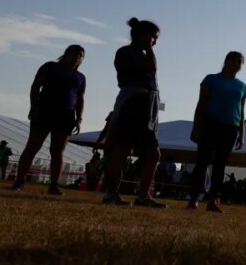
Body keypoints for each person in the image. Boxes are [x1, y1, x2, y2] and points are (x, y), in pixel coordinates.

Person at [100, 18, 166, 208]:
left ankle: (143, 195)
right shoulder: (126, 52)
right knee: (123, 148)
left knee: (153, 153)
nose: (155, 42)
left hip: (149, 102)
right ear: (145, 36)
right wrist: (149, 48)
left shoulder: (143, 54)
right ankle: (111, 193)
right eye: (154, 38)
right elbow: (151, 67)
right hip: (133, 100)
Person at [11, 46, 87, 194]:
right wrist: (34, 106)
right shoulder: (50, 67)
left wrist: (79, 118)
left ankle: (53, 185)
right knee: (33, 146)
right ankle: (19, 180)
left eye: (80, 56)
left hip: (66, 115)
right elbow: (35, 87)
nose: (77, 57)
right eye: (75, 54)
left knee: (58, 151)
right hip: (44, 110)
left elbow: (80, 98)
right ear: (66, 54)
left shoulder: (80, 77)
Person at [187, 52, 246, 213]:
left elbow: (241, 111)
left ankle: (213, 200)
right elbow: (201, 104)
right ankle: (193, 198)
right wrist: (196, 126)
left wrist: (242, 134)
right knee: (202, 162)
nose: (236, 65)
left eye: (239, 62)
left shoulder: (242, 86)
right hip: (210, 123)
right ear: (226, 61)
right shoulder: (211, 79)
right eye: (233, 61)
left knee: (220, 166)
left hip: (230, 127)